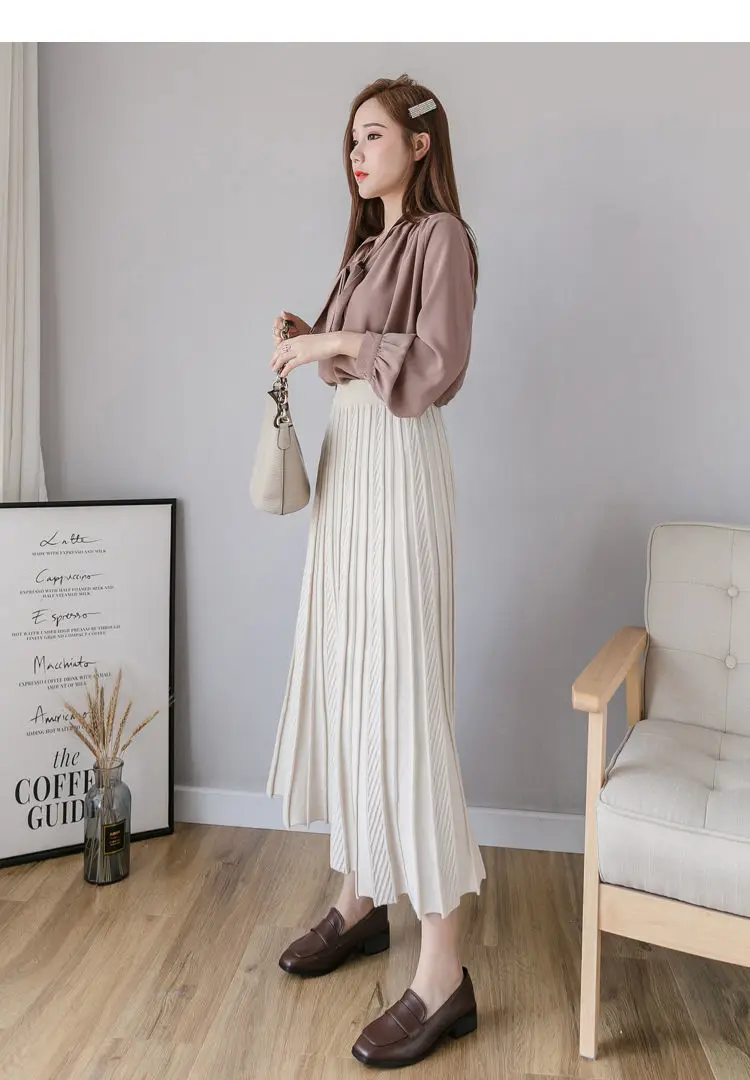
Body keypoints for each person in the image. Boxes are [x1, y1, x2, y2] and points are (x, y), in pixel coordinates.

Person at [265, 74, 486, 1069]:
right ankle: (360, 896)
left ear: (419, 144)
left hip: (399, 464)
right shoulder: (365, 246)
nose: (356, 155)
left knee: (404, 694)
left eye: (372, 136)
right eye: (350, 141)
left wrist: (340, 341)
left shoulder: (442, 239)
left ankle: (443, 971)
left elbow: (433, 364)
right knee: (352, 678)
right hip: (351, 467)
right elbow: (342, 363)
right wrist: (310, 341)